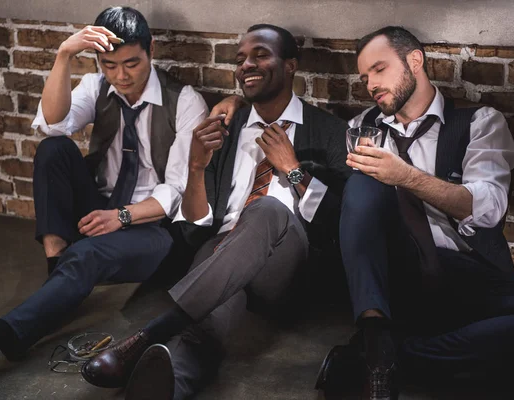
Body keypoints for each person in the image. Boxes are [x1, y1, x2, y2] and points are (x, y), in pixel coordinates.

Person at [0, 6, 207, 376]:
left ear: (151, 50)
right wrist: (63, 55)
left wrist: (121, 217)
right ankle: (59, 275)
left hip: (154, 228)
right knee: (53, 149)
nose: (121, 76)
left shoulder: (184, 101)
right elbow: (53, 125)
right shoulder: (97, 85)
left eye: (131, 64)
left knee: (88, 254)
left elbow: (178, 191)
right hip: (102, 206)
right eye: (109, 65)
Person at [79, 24, 351, 398]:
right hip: (224, 255)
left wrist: (293, 170)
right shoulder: (224, 128)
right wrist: (195, 167)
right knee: (205, 322)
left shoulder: (330, 131)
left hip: (287, 266)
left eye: (260, 55)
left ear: (290, 65)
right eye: (240, 59)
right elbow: (195, 226)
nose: (246, 65)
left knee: (268, 209)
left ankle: (148, 334)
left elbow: (341, 221)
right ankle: (171, 384)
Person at [315, 26, 514, 400]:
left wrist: (406, 177)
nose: (370, 85)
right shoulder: (360, 129)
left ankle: (384, 358)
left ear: (415, 60)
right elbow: (347, 212)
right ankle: (378, 334)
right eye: (364, 78)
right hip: (399, 276)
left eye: (379, 69)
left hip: (465, 270)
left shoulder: (479, 122)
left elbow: (489, 209)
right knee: (363, 181)